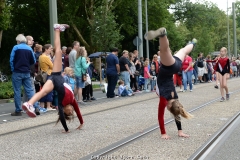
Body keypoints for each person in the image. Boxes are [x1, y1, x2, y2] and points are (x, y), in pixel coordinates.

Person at [22, 24, 83, 133]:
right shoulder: (73, 101)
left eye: (68, 112)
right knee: (58, 51)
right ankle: (57, 30)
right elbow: (78, 112)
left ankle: (29, 104)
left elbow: (63, 118)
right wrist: (81, 122)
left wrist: (66, 129)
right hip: (57, 75)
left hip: (54, 78)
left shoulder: (61, 105)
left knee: (43, 92)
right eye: (71, 111)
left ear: (64, 111)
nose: (70, 110)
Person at [145, 27, 194, 139]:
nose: (166, 108)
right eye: (168, 108)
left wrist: (180, 131)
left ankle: (193, 43)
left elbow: (177, 112)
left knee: (184, 51)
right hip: (168, 67)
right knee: (164, 50)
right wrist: (163, 133)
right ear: (169, 105)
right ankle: (163, 34)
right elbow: (160, 116)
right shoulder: (164, 99)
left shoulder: (175, 98)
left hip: (176, 66)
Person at [10, 34, 40, 116]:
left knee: (17, 91)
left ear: (18, 41)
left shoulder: (15, 47)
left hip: (17, 72)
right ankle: (36, 106)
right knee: (30, 90)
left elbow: (11, 60)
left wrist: (13, 69)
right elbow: (33, 61)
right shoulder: (29, 48)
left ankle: (18, 110)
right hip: (27, 72)